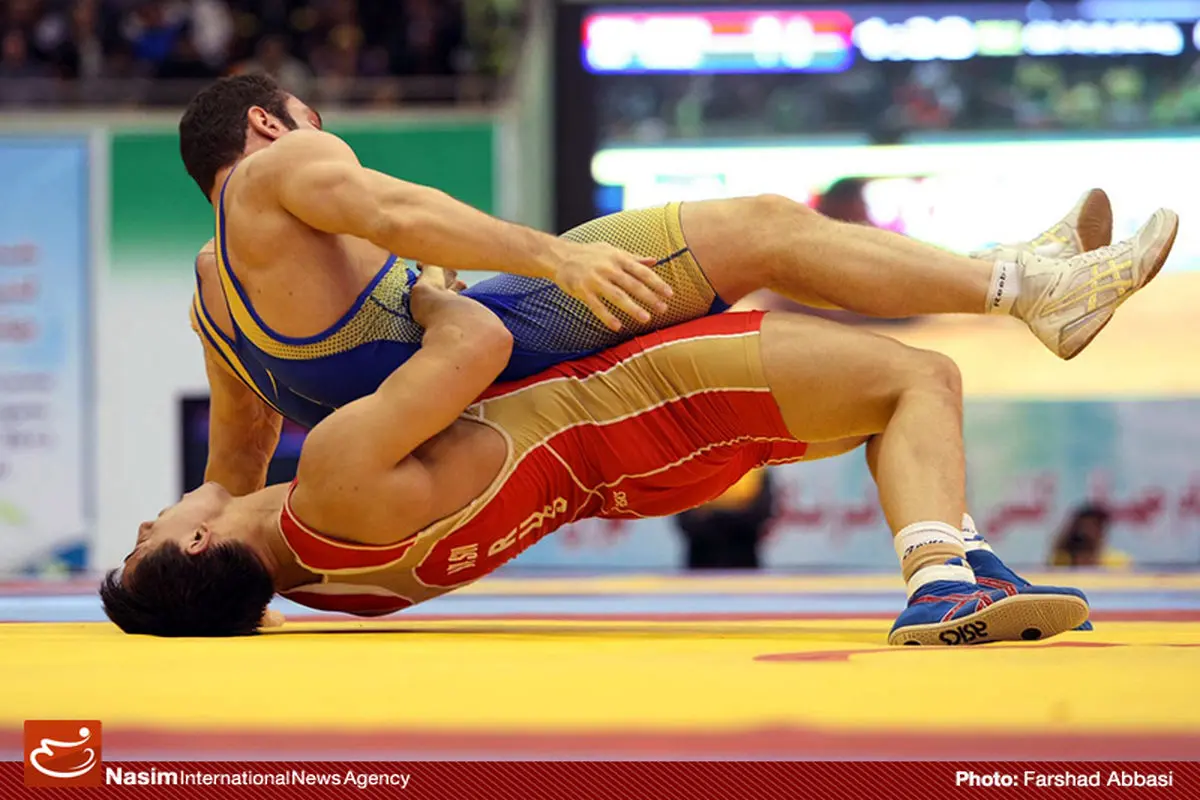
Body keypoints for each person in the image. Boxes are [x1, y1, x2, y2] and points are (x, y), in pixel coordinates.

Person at [180, 75, 1177, 498]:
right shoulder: (283, 165)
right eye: (311, 122)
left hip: (479, 416)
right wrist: (555, 256)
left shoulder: (213, 297)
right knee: (767, 229)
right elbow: (397, 212)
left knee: (773, 251)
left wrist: (215, 567)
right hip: (514, 337)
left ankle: (1027, 268)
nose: (321, 138)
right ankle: (1028, 285)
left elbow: (235, 464)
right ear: (267, 125)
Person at [104, 266, 1098, 647]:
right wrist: (422, 283)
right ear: (195, 544)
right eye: (142, 541)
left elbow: (236, 488)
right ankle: (940, 584)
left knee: (897, 404)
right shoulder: (329, 472)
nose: (146, 519)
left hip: (644, 479)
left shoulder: (329, 591)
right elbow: (479, 340)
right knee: (920, 376)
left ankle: (970, 565)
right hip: (648, 401)